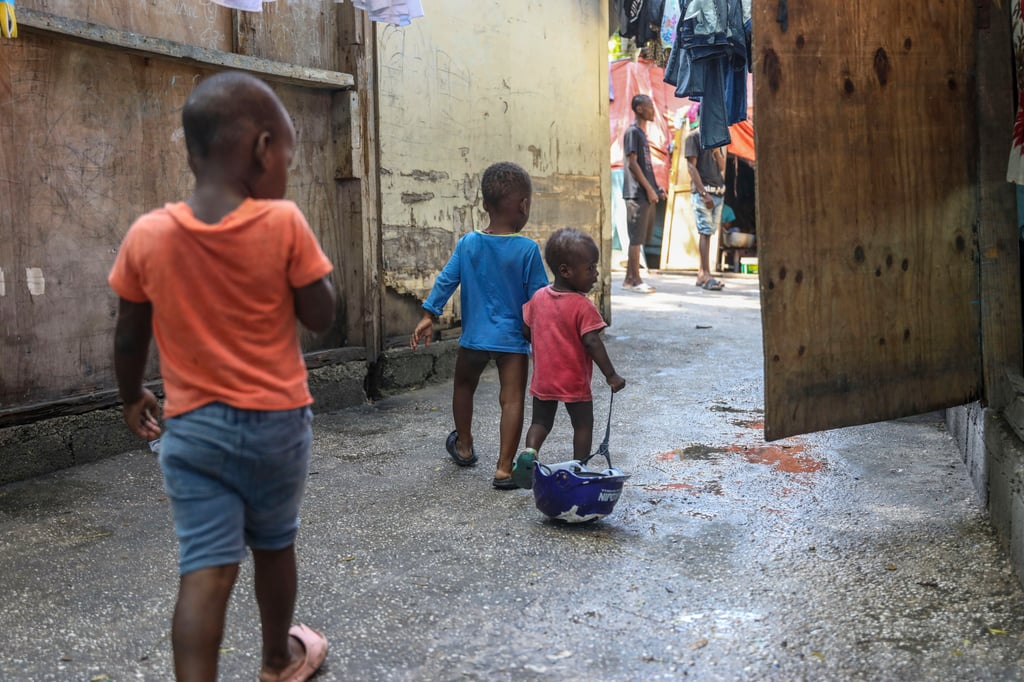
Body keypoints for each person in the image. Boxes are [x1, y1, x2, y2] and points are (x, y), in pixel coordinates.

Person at [108, 72, 335, 682]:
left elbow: (130, 337)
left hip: (193, 431)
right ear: (263, 149)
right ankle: (277, 659)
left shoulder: (148, 235)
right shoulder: (283, 222)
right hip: (276, 426)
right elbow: (322, 315)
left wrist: (132, 398)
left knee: (206, 569)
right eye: (287, 152)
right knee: (274, 544)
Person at [410, 162, 549, 490]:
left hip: (473, 339)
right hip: (512, 341)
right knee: (511, 398)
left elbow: (447, 280)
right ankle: (503, 468)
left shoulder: (468, 243)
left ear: (484, 205)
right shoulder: (527, 250)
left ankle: (465, 446)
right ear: (524, 206)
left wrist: (429, 314)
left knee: (463, 387)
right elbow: (540, 300)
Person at [511, 228, 627, 489]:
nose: (596, 273)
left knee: (541, 421)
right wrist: (611, 375)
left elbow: (526, 330)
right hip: (573, 380)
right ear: (566, 271)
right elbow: (592, 341)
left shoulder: (538, 297)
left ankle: (530, 452)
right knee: (583, 425)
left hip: (544, 378)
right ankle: (579, 468)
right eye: (590, 268)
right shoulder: (582, 306)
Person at [621, 93, 666, 294]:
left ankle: (630, 279)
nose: (652, 110)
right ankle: (635, 279)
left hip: (645, 193)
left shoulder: (641, 134)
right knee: (636, 238)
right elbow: (632, 163)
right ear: (639, 109)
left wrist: (656, 189)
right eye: (649, 106)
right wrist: (648, 190)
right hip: (636, 193)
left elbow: (646, 167)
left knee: (639, 237)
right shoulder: (632, 132)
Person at [685, 109, 728, 290]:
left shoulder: (716, 140)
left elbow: (723, 167)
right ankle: (707, 275)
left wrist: (717, 151)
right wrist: (703, 193)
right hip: (705, 194)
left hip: (718, 192)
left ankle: (702, 275)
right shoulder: (693, 137)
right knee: (704, 231)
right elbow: (691, 167)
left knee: (708, 233)